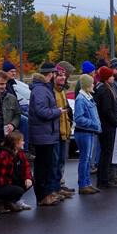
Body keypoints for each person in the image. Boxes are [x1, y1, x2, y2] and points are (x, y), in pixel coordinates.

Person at [29, 62, 64, 206]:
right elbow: (41, 111)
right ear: (51, 74)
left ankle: (47, 194)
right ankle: (43, 196)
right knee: (43, 167)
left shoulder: (44, 88)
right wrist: (58, 111)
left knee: (47, 165)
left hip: (47, 134)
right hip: (43, 135)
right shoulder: (40, 90)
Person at [0, 130, 33, 212]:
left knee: (31, 180)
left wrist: (28, 178)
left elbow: (26, 166)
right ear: (15, 144)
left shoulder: (19, 153)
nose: (23, 143)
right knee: (17, 190)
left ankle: (10, 202)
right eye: (21, 141)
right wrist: (12, 185)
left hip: (9, 182)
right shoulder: (4, 156)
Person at [73, 73, 101, 194]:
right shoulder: (80, 99)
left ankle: (87, 183)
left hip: (89, 132)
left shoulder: (88, 96)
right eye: (91, 83)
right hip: (84, 133)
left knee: (88, 159)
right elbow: (78, 118)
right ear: (86, 85)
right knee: (85, 159)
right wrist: (93, 124)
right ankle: (83, 185)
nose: (93, 85)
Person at [94, 66, 117, 189]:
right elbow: (107, 110)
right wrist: (115, 122)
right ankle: (104, 179)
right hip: (107, 126)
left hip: (106, 125)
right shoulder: (104, 91)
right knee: (106, 153)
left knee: (105, 152)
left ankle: (103, 177)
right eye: (111, 76)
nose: (113, 78)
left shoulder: (103, 89)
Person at [52, 65, 75, 198]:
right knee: (55, 162)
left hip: (65, 130)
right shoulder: (52, 91)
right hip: (56, 132)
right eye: (59, 75)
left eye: (63, 75)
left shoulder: (62, 91)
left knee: (61, 161)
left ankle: (59, 186)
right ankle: (54, 188)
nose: (62, 77)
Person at [0, 70, 21, 159]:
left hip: (6, 137)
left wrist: (13, 124)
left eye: (5, 84)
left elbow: (18, 114)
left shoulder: (11, 98)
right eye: (1, 84)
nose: (4, 86)